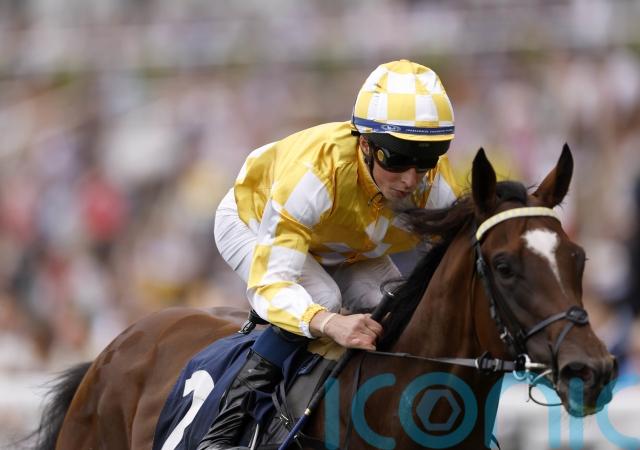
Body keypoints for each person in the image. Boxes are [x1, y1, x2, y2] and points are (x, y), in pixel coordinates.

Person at [198, 59, 460, 450]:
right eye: (396, 159)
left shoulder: (432, 182)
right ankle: (223, 429)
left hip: (347, 245)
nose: (410, 179)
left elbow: (461, 260)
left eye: (425, 160)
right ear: (365, 144)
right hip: (253, 223)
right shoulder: (317, 174)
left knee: (394, 309)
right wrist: (328, 323)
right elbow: (273, 285)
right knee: (323, 299)